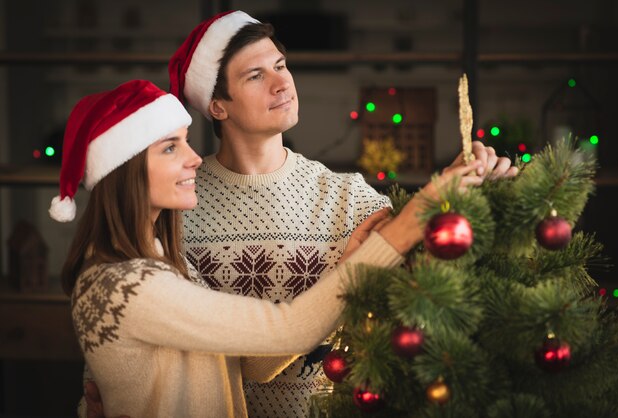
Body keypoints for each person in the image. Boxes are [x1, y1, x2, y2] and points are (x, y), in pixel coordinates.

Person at [83, 10, 518, 418]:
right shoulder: (176, 208)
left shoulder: (349, 196)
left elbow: (434, 278)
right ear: (218, 106)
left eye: (281, 65)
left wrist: (472, 196)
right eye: (256, 75)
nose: (281, 83)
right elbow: (119, 366)